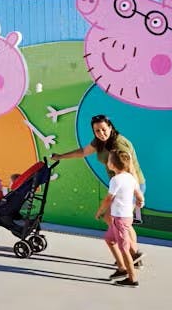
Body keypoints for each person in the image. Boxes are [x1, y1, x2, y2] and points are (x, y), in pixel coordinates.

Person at [52, 114, 145, 266]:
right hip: (121, 184)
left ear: (110, 127)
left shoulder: (119, 145)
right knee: (120, 222)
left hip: (131, 185)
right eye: (97, 131)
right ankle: (132, 255)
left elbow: (132, 170)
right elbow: (82, 152)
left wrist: (137, 193)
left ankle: (132, 255)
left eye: (103, 129)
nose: (101, 133)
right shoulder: (100, 142)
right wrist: (61, 156)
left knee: (116, 220)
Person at [96, 149, 143, 287]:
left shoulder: (115, 180)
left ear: (113, 164)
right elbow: (138, 193)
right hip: (126, 217)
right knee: (109, 239)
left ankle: (132, 279)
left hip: (119, 219)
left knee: (124, 249)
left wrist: (100, 211)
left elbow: (108, 199)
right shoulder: (130, 178)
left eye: (109, 160)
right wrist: (141, 201)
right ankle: (122, 269)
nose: (108, 162)